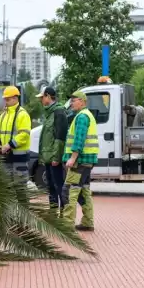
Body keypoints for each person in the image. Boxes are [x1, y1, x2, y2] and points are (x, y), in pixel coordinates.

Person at [62, 91, 98, 231]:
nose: (71, 103)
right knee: (84, 191)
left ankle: (67, 224)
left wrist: (72, 158)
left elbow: (79, 140)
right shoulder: (87, 115)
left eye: (74, 100)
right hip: (88, 160)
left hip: (80, 161)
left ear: (82, 101)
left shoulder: (82, 117)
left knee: (69, 190)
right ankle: (88, 221)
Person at [35, 86, 68, 212]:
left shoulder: (59, 113)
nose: (41, 100)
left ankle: (64, 213)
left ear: (48, 96)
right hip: (48, 158)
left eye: (42, 97)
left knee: (59, 186)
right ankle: (53, 213)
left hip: (54, 158)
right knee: (51, 187)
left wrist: (56, 157)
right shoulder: (49, 113)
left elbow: (60, 137)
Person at [0, 86, 32, 184]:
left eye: (8, 99)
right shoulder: (3, 115)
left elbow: (24, 135)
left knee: (20, 190)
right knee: (7, 190)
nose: (5, 101)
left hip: (19, 159)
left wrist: (9, 145)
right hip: (5, 158)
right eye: (5, 99)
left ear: (15, 98)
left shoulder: (22, 114)